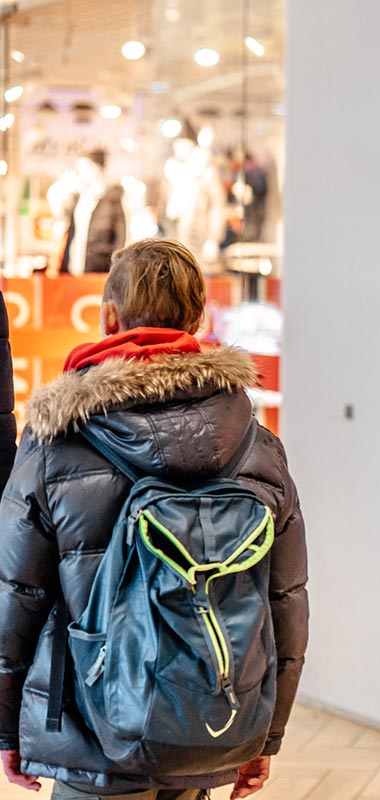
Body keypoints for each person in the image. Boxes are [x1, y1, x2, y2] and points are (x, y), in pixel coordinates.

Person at [0, 239, 309, 799]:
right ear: (197, 319)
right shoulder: (256, 444)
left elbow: (17, 593)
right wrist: (266, 732)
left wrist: (5, 726)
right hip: (207, 717)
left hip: (91, 728)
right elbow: (285, 601)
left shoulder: (56, 442)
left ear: (108, 317)